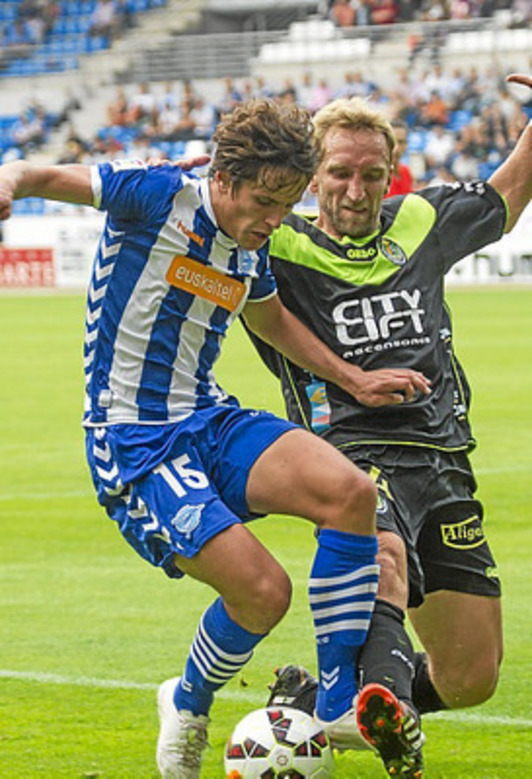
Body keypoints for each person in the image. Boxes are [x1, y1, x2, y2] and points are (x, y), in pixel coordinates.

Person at [0, 98, 431, 779]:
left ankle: (339, 704)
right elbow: (38, 175)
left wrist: (354, 378)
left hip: (208, 417)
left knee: (350, 493)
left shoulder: (250, 244)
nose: (273, 220)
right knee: (263, 592)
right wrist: (8, 181)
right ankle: (187, 700)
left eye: (286, 205)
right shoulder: (155, 193)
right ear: (224, 179)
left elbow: (270, 319)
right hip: (135, 440)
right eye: (264, 202)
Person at [248, 75, 532, 777]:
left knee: (471, 676)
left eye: (372, 175)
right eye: (339, 173)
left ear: (391, 174)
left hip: (442, 456)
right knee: (382, 554)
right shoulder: (274, 242)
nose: (356, 190)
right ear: (312, 177)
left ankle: (316, 700)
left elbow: (505, 197)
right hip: (348, 451)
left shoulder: (419, 221)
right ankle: (390, 714)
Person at [386, 118, 414, 197]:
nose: (397, 148)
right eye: (393, 141)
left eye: (401, 142)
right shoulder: (378, 175)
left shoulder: (405, 171)